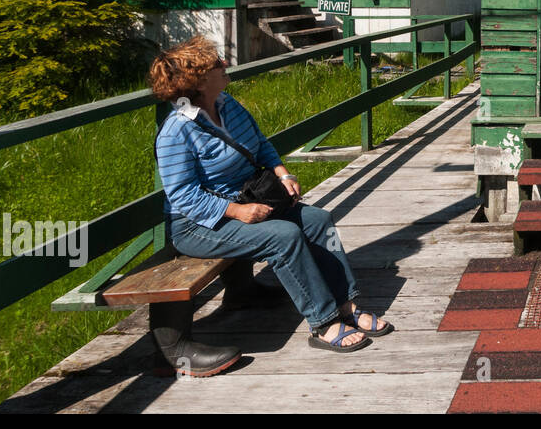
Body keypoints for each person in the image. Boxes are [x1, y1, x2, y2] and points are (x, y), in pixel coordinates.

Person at [149, 36, 391, 374]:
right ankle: (323, 323)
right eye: (218, 63)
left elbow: (260, 144)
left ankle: (346, 304)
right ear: (199, 80)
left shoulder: (227, 104)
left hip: (249, 198)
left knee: (319, 219)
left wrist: (282, 172)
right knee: (283, 236)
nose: (225, 65)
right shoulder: (177, 131)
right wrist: (237, 212)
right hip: (198, 225)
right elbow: (183, 196)